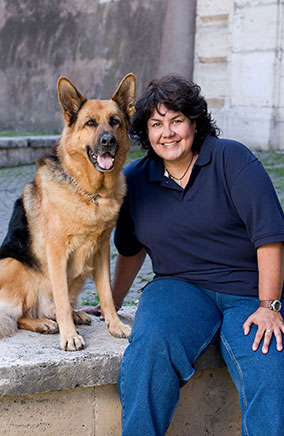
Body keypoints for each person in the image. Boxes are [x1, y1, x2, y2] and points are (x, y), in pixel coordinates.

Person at [88, 74, 284, 436]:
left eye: (177, 120)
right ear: (145, 132)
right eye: (156, 123)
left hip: (249, 293)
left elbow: (269, 239)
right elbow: (131, 251)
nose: (168, 132)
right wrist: (110, 303)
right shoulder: (135, 180)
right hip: (179, 288)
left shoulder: (232, 159)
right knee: (148, 352)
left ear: (194, 123)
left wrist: (268, 306)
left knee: (269, 369)